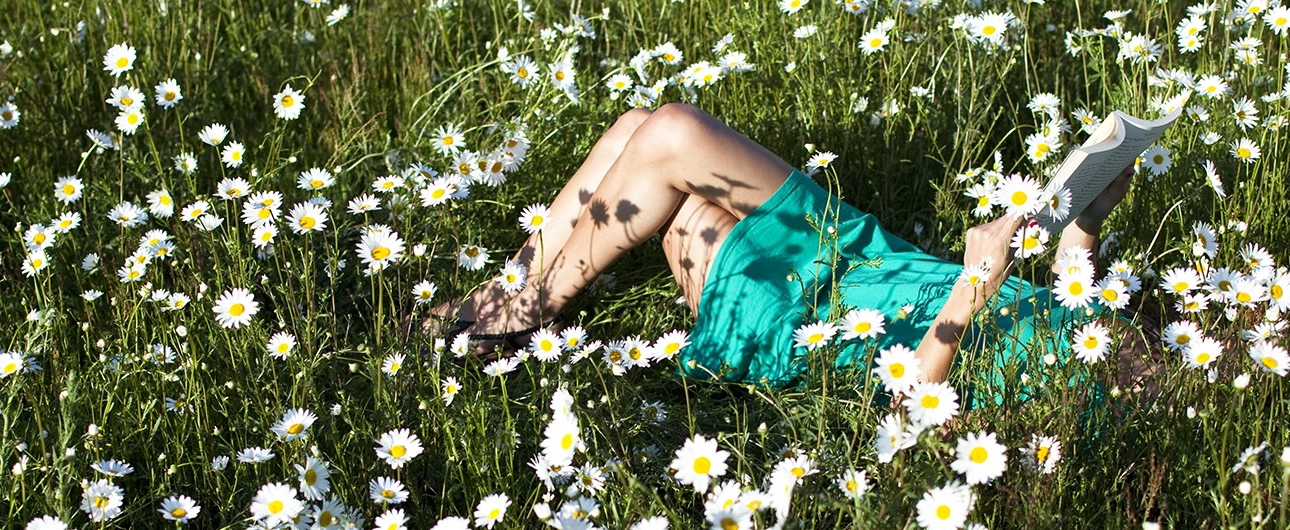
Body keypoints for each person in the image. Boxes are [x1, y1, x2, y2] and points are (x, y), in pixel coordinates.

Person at [431, 103, 1154, 396]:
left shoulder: (1079, 417)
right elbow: (1077, 310)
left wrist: (972, 286)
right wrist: (1089, 216)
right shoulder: (1127, 352)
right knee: (645, 130)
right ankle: (500, 302)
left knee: (669, 169)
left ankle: (506, 321)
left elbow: (911, 418)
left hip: (816, 320)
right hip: (867, 252)